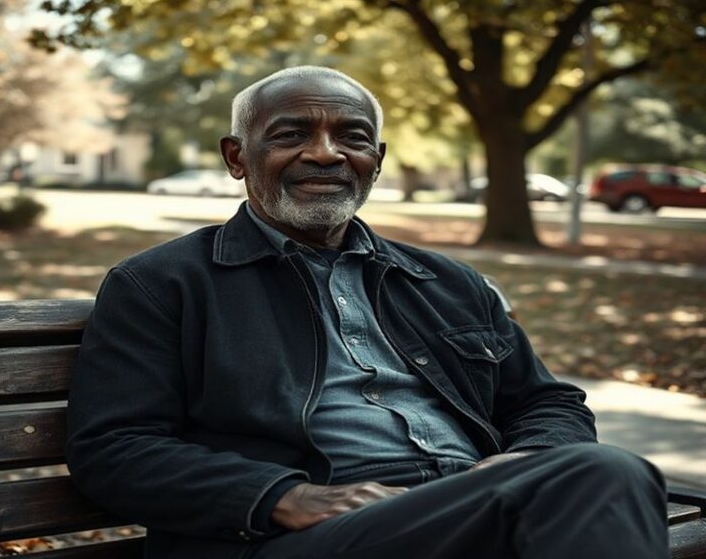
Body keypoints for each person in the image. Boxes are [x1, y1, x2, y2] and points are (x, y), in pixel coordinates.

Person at [66, 66, 669, 559]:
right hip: (292, 537)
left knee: (590, 478)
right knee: (603, 477)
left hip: (468, 506)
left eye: (351, 137)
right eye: (290, 134)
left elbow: (546, 401)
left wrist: (529, 463)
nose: (325, 154)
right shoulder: (162, 284)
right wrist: (283, 495)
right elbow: (115, 447)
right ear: (237, 156)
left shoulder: (447, 281)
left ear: (375, 158)